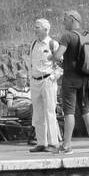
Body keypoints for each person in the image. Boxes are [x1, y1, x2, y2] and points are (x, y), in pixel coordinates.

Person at [54, 10, 89, 153]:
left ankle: (66, 146)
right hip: (85, 79)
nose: (63, 22)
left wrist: (51, 57)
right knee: (86, 111)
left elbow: (58, 55)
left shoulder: (67, 36)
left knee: (69, 112)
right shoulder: (87, 36)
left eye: (65, 19)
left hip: (70, 80)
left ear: (73, 20)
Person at [27, 17, 62, 153]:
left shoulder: (53, 44)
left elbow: (61, 65)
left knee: (50, 111)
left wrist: (53, 77)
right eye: (35, 26)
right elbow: (31, 62)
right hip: (35, 80)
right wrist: (30, 77)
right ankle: (41, 142)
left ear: (46, 29)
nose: (35, 29)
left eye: (37, 27)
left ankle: (53, 142)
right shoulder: (33, 44)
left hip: (48, 80)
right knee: (38, 112)